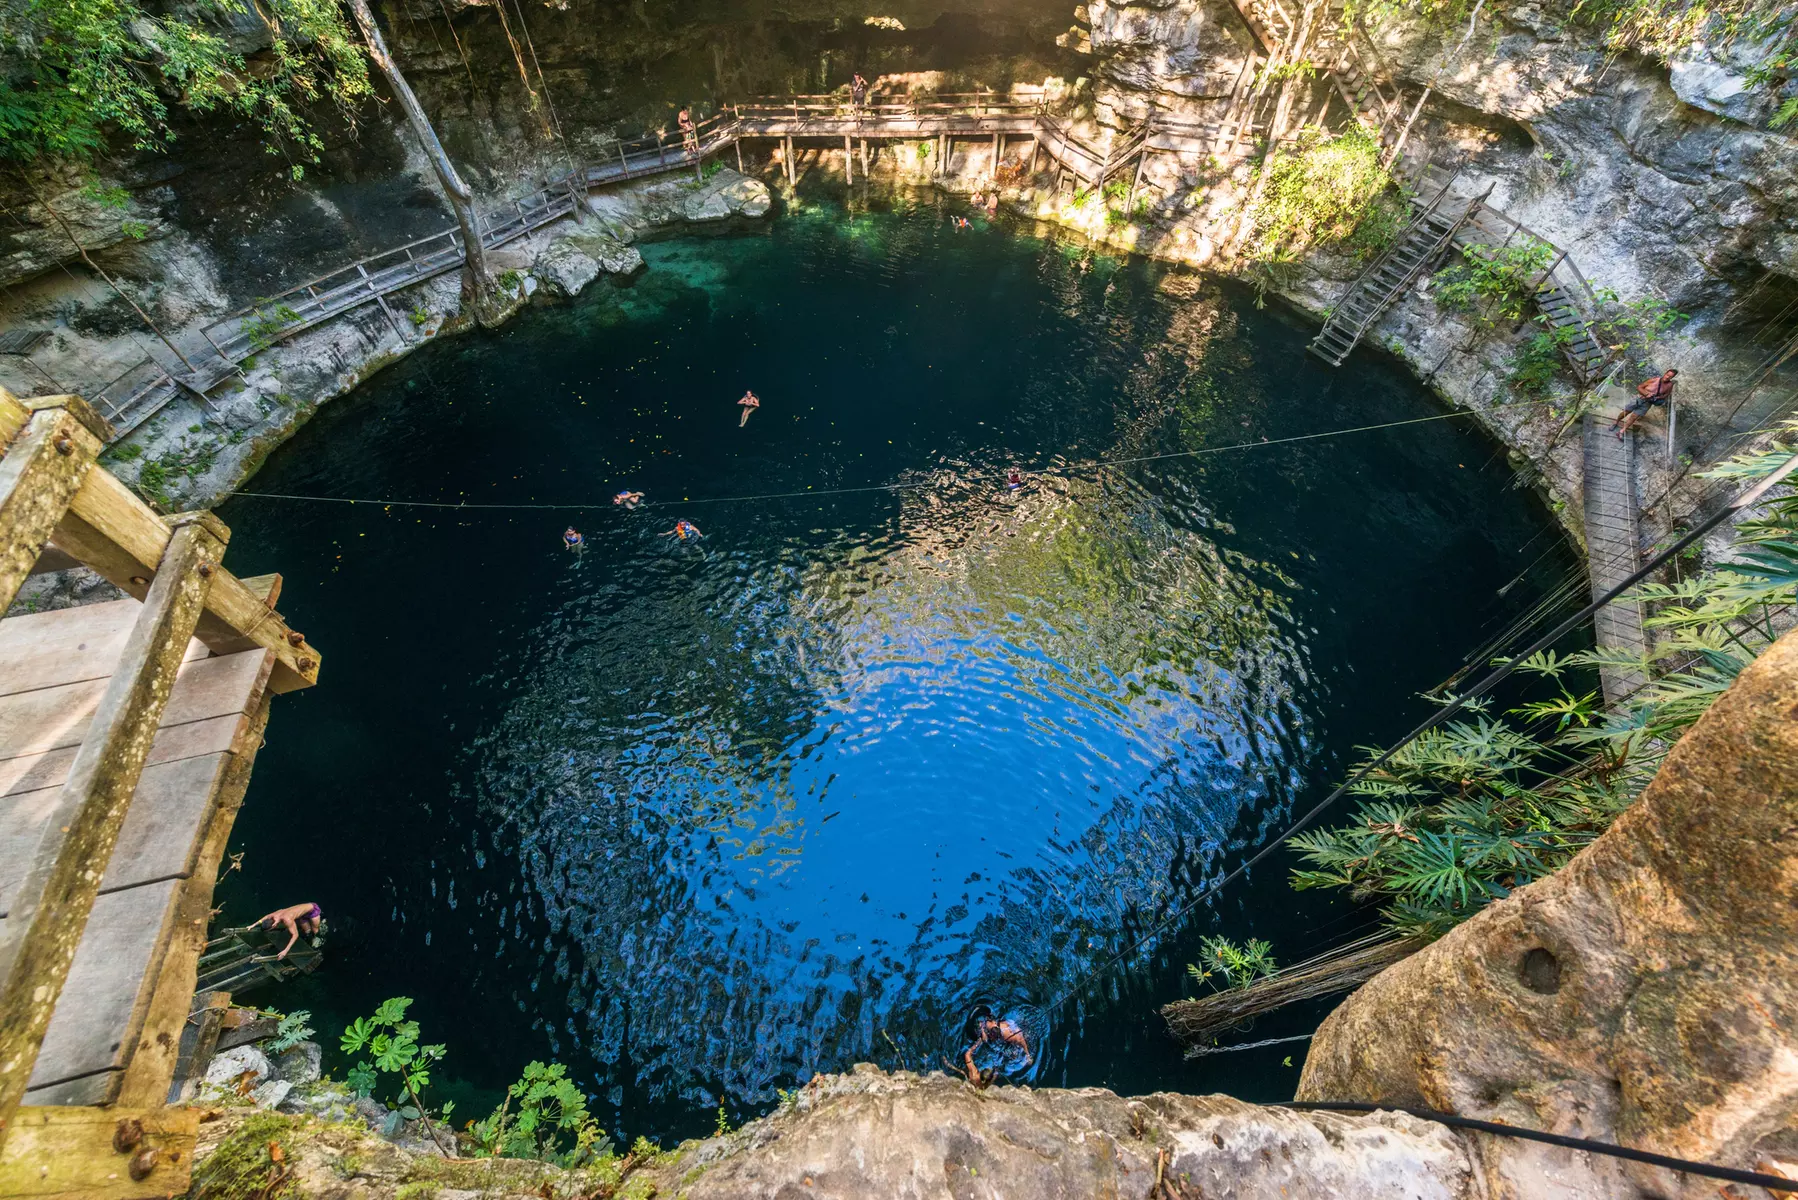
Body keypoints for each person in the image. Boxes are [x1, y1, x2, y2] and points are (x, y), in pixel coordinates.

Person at [960, 1009, 1031, 1085]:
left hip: (1014, 1030)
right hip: (1004, 1025)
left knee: (1018, 1046)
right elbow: (982, 1023)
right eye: (991, 1036)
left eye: (993, 1038)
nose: (991, 1038)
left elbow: (1021, 1040)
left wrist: (1027, 1054)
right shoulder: (989, 1025)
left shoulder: (1008, 1035)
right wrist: (982, 1032)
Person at [1612, 368, 1677, 439]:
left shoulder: (1670, 385)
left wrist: (1658, 398)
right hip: (1639, 399)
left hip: (1648, 403)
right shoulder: (1654, 380)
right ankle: (1616, 422)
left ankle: (1622, 431)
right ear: (1665, 373)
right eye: (1667, 375)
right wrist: (1646, 394)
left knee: (1634, 417)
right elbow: (1639, 387)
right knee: (1626, 412)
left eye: (1670, 377)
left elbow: (1666, 394)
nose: (1667, 377)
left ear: (1672, 377)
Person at [253, 902, 322, 961]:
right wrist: (253, 925)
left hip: (312, 909)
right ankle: (308, 927)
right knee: (307, 931)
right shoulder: (274, 915)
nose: (270, 931)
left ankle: (318, 938)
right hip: (302, 914)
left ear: (273, 925)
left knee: (315, 930)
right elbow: (265, 917)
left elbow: (295, 935)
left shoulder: (287, 920)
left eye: (270, 930)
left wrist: (285, 951)